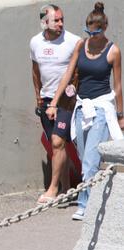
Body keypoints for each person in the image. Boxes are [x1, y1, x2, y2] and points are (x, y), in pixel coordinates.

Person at [49, 2, 124, 220]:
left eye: (97, 31)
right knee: (85, 159)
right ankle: (97, 196)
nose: (93, 35)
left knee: (91, 161)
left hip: (101, 108)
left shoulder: (113, 50)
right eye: (89, 31)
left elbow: (117, 86)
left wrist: (121, 115)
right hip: (82, 107)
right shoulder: (81, 45)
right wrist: (54, 102)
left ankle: (85, 205)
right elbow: (68, 73)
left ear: (105, 28)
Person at [30, 4, 81, 204]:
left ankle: (53, 189)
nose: (60, 23)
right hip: (46, 99)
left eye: (62, 19)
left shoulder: (74, 41)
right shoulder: (35, 42)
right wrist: (38, 97)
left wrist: (72, 93)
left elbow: (78, 72)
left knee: (58, 141)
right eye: (56, 20)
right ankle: (67, 189)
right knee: (56, 145)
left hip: (67, 100)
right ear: (44, 22)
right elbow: (35, 72)